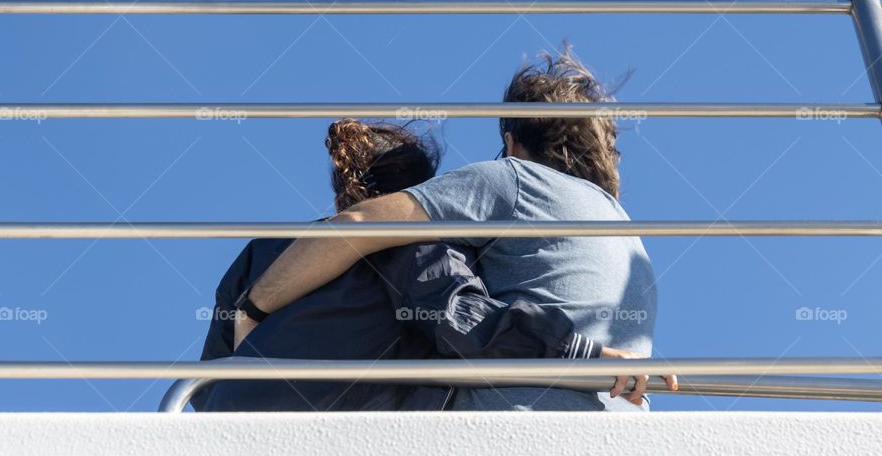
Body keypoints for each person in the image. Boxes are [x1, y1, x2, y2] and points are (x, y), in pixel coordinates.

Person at [234, 48, 675, 411]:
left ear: (511, 143)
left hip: (515, 420)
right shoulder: (628, 235)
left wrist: (250, 308)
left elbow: (360, 224)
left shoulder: (514, 179)